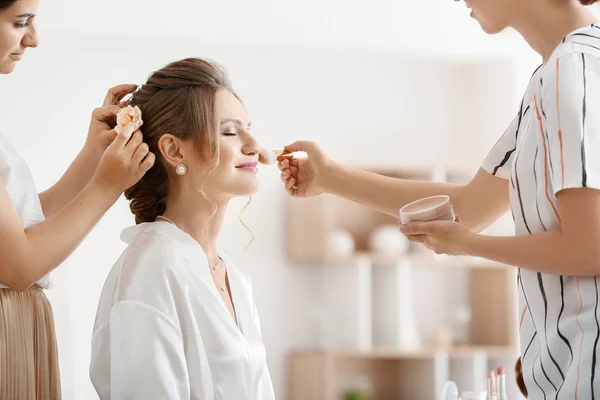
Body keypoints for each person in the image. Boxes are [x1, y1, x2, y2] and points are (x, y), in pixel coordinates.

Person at [278, 0, 600, 398]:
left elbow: (588, 249)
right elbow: (469, 209)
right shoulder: (556, 75)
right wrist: (329, 176)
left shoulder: (571, 70)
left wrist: (466, 246)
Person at [90, 58, 276, 400]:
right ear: (174, 150)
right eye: (231, 131)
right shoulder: (152, 267)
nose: (255, 146)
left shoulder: (231, 274)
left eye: (249, 128)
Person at [0, 0, 154, 398]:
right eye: (20, 22)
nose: (33, 39)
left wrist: (93, 156)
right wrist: (106, 186)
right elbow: (18, 266)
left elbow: (19, 227)